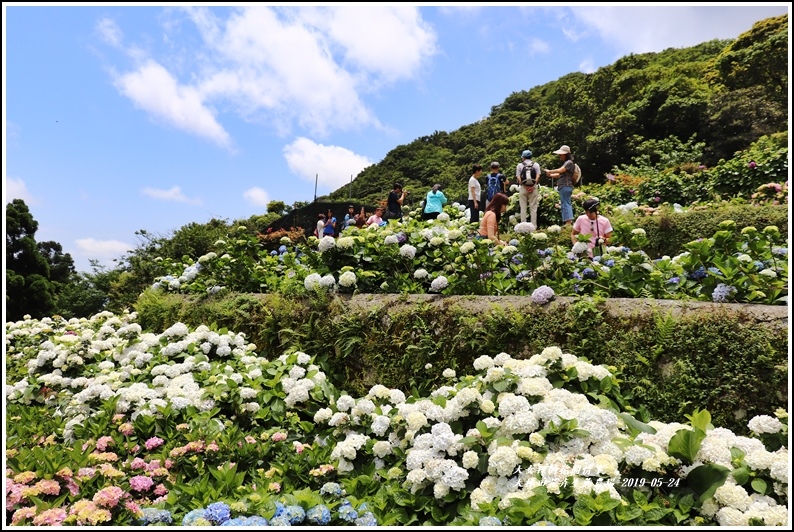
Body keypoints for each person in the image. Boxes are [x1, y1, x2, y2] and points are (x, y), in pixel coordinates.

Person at [544, 144, 576, 225]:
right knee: (564, 204)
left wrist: (550, 171)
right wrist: (550, 175)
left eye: (561, 154)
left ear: (566, 154)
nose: (560, 156)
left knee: (566, 204)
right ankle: (567, 222)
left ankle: (568, 223)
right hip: (563, 186)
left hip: (566, 186)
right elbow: (560, 175)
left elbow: (561, 170)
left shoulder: (569, 163)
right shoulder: (566, 163)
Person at [516, 149, 541, 228]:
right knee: (533, 208)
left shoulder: (520, 165)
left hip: (523, 188)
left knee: (523, 208)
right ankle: (533, 226)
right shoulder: (536, 164)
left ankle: (523, 226)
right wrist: (533, 186)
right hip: (533, 188)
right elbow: (538, 175)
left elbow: (518, 177)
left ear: (523, 157)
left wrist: (525, 186)